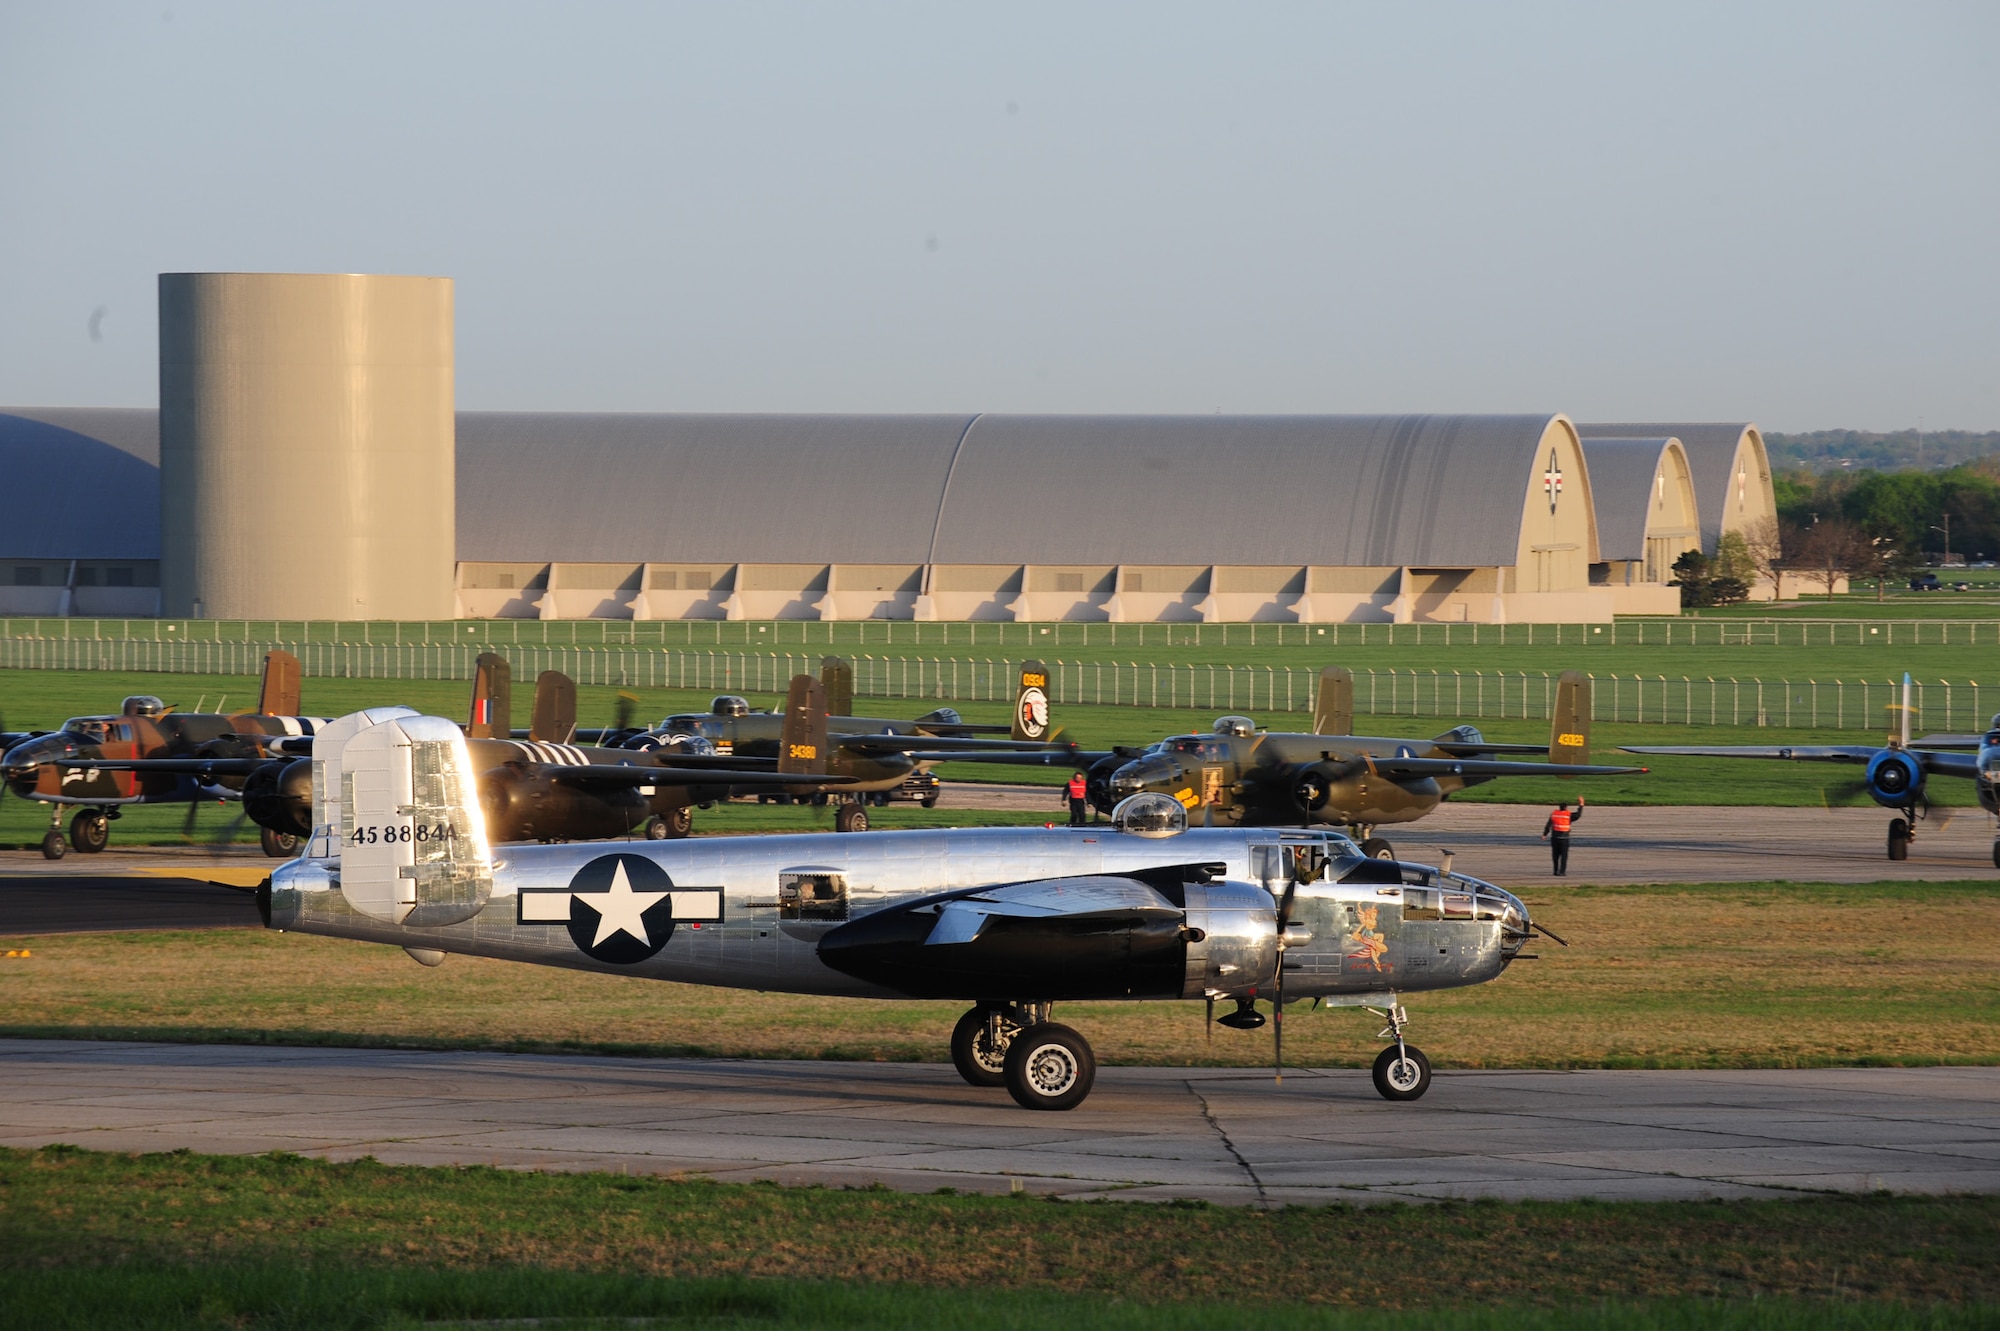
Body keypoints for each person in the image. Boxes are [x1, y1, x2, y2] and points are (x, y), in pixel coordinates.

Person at [1541, 794, 1584, 876]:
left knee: (1555, 855)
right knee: (1564, 856)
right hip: (1564, 838)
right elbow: (1578, 815)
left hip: (1555, 838)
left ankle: (1555, 871)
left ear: (1559, 807)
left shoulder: (1554, 814)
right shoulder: (1568, 815)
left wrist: (1544, 834)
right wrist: (1581, 804)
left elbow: (1548, 825)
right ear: (1566, 808)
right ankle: (1562, 871)